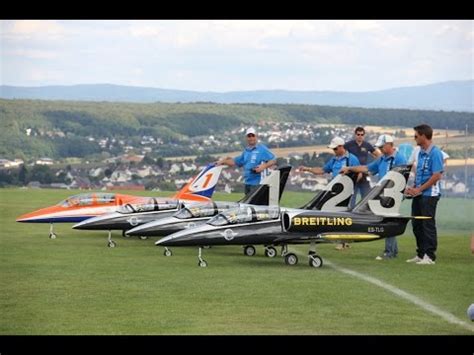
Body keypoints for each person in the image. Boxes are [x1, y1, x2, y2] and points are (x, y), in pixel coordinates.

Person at [340, 134, 407, 260]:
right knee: (387, 220)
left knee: (388, 221)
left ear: (390, 145)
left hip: (393, 194)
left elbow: (402, 177)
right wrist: (349, 168)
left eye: (382, 146)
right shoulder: (382, 159)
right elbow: (367, 168)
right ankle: (392, 251)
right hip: (383, 193)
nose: (380, 149)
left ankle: (390, 252)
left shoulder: (399, 158)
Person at [299, 136, 360, 250]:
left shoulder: (352, 159)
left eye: (335, 149)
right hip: (334, 192)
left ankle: (344, 242)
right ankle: (339, 240)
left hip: (346, 192)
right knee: (334, 215)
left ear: (341, 147)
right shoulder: (334, 159)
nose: (334, 151)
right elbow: (322, 170)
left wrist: (351, 185)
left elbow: (359, 173)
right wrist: (308, 169)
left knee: (344, 216)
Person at [405, 124, 444, 265]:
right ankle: (421, 254)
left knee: (427, 224)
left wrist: (419, 189)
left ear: (423, 135)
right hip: (420, 193)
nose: (414, 138)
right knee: (416, 224)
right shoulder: (420, 152)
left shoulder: (435, 153)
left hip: (430, 195)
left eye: (416, 136)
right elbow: (420, 174)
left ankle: (430, 256)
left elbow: (436, 176)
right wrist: (413, 188)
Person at [216, 127, 276, 195]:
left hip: (258, 184)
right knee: (248, 205)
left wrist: (264, 166)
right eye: (249, 136)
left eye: (253, 135)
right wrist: (222, 161)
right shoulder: (246, 151)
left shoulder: (262, 149)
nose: (251, 138)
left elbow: (273, 160)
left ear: (256, 137)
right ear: (246, 138)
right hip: (248, 183)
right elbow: (235, 161)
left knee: (256, 205)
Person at [344, 127, 382, 209]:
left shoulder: (367, 145)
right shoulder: (348, 145)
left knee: (366, 196)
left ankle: (365, 212)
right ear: (355, 135)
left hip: (364, 173)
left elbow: (378, 155)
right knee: (352, 197)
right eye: (358, 134)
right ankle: (350, 212)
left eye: (362, 135)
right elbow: (342, 155)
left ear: (364, 135)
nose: (360, 136)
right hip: (353, 174)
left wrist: (375, 164)